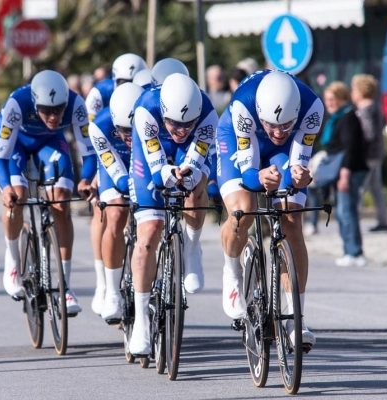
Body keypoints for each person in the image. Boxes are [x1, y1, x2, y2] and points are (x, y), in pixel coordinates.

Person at [216, 70, 324, 350]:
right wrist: (260, 178)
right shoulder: (243, 105)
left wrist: (301, 176)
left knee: (291, 222)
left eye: (285, 124)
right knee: (243, 210)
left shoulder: (312, 108)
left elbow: (298, 164)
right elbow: (249, 173)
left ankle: (295, 319)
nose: (277, 132)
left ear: (296, 113)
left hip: (284, 151)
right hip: (239, 137)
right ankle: (232, 272)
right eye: (272, 125)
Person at [127, 73, 218, 355]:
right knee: (150, 231)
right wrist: (168, 173)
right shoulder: (145, 110)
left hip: (186, 152)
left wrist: (186, 173)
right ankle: (141, 323)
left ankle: (191, 248)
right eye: (174, 124)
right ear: (164, 112)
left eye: (186, 124)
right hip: (151, 153)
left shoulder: (207, 114)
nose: (180, 129)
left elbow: (196, 160)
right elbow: (156, 172)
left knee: (197, 185)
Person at [0, 70, 95, 315]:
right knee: (18, 197)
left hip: (50, 143)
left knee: (61, 202)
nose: (53, 116)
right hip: (16, 143)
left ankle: (65, 287)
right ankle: (14, 261)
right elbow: (0, 160)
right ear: (35, 103)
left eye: (59, 109)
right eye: (46, 110)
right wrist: (6, 189)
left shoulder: (76, 104)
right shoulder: (18, 104)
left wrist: (86, 180)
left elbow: (89, 153)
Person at [85, 53, 148, 315]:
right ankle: (106, 286)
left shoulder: (148, 94)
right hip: (111, 151)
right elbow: (94, 145)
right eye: (123, 81)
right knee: (113, 210)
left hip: (141, 149)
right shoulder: (99, 96)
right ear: (114, 80)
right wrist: (93, 176)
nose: (129, 85)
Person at [322, 82, 369, 267]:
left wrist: (345, 174)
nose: (329, 103)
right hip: (341, 170)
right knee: (343, 212)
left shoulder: (348, 117)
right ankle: (350, 250)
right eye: (327, 99)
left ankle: (354, 251)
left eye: (332, 99)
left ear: (342, 98)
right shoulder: (336, 117)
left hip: (350, 170)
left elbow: (351, 148)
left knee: (346, 212)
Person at [351, 74, 387, 232]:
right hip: (377, 154)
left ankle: (354, 220)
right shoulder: (376, 107)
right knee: (376, 188)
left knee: (359, 188)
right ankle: (383, 219)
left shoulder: (365, 109)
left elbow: (369, 133)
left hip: (367, 156)